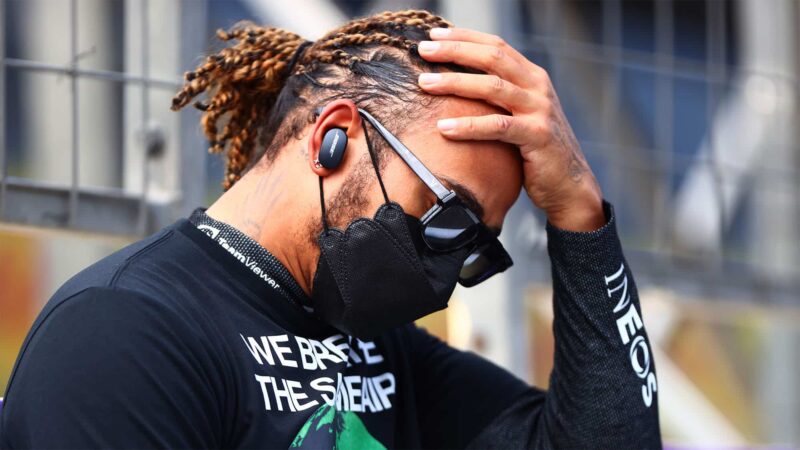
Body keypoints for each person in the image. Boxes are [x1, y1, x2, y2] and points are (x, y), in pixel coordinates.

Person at [0, 9, 661, 449]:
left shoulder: (384, 353)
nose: (446, 271)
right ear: (333, 138)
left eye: (474, 249)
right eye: (450, 216)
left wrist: (580, 214)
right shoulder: (127, 331)